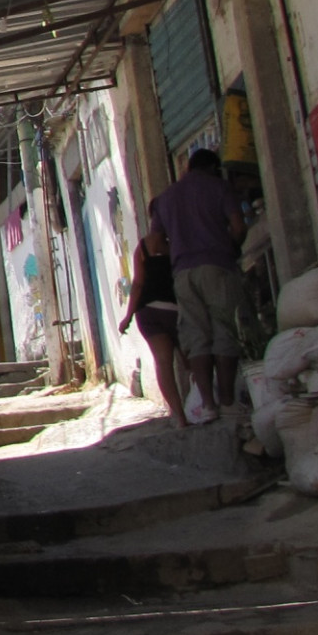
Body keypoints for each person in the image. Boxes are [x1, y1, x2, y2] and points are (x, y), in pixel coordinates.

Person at [147, 148, 247, 425]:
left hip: (183, 273)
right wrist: (230, 247)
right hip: (217, 266)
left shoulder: (166, 198)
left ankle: (208, 404)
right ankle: (227, 402)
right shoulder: (219, 187)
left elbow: (155, 243)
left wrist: (179, 251)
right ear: (212, 168)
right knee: (224, 331)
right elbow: (238, 227)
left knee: (196, 336)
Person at [119, 233, 185, 427]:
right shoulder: (179, 239)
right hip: (177, 309)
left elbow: (138, 284)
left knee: (163, 364)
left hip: (149, 311)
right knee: (191, 360)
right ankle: (202, 405)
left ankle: (180, 416)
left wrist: (128, 316)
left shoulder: (143, 247)